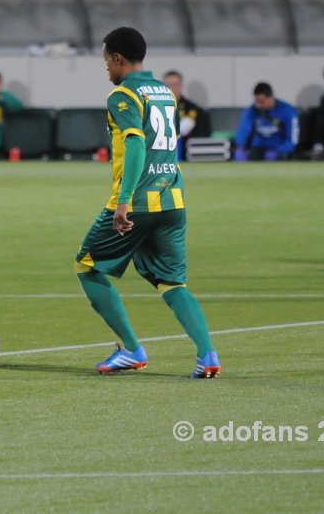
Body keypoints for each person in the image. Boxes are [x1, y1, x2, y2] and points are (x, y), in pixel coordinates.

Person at [74, 27, 220, 378]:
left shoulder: (122, 96)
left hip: (137, 203)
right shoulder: (165, 93)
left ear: (119, 59)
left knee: (87, 266)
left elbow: (137, 144)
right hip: (172, 200)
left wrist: (124, 201)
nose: (107, 68)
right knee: (172, 284)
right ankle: (207, 356)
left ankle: (131, 349)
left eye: (107, 60)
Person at [234, 82, 300, 161]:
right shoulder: (251, 111)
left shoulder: (288, 111)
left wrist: (279, 151)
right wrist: (239, 148)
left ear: (271, 98)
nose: (258, 105)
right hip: (258, 150)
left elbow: (292, 140)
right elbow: (243, 130)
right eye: (256, 101)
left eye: (261, 101)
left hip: (278, 151)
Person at [163, 70, 211, 160]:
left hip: (186, 150)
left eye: (175, 85)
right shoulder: (156, 107)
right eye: (168, 85)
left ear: (181, 86)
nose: (171, 88)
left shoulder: (192, 108)